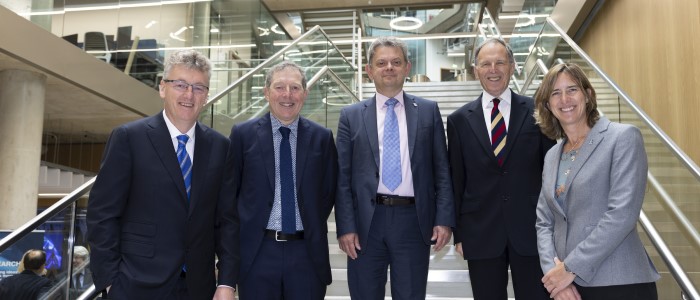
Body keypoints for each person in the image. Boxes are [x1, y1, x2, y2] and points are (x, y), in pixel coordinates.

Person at [87, 49, 239, 300]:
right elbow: (102, 215)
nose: (189, 94)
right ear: (162, 88)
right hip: (135, 286)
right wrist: (110, 282)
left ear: (206, 96)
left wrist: (226, 283)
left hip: (199, 287)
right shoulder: (129, 138)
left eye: (198, 87)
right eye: (180, 84)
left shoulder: (220, 147)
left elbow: (227, 222)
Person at [335, 36, 454, 299]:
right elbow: (342, 178)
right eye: (382, 62)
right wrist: (345, 226)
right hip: (367, 223)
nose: (389, 67)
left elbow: (442, 171)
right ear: (369, 70)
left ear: (407, 68)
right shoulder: (350, 116)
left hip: (413, 221)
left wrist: (444, 220)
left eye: (396, 62)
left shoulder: (428, 111)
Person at [534, 62, 659, 300]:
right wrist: (555, 276)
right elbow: (544, 222)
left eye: (572, 90)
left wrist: (570, 268)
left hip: (619, 283)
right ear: (548, 105)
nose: (564, 99)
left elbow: (622, 214)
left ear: (588, 95)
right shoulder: (552, 154)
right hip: (568, 289)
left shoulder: (622, 138)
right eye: (555, 93)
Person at [446, 37, 555, 300]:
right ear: (476, 71)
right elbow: (456, 180)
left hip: (531, 230)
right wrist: (459, 233)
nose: (493, 69)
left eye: (500, 62)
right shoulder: (458, 120)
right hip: (480, 231)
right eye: (486, 64)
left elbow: (551, 172)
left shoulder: (538, 111)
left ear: (513, 66)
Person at [229, 61, 337, 299]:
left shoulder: (322, 138)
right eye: (279, 87)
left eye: (295, 88)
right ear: (266, 92)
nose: (287, 95)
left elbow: (328, 193)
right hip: (257, 253)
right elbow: (231, 194)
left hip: (306, 253)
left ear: (305, 94)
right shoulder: (242, 135)